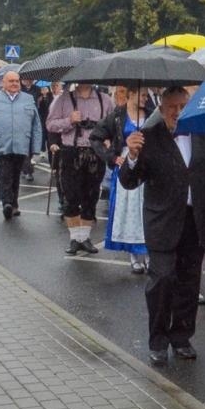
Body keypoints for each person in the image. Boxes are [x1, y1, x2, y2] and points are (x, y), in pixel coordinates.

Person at [119, 85, 205, 367]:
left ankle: (181, 337)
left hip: (196, 219)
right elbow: (129, 181)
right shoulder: (147, 137)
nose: (178, 113)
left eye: (183, 106)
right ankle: (157, 340)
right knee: (162, 279)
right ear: (161, 107)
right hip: (162, 221)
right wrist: (132, 157)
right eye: (172, 107)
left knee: (189, 280)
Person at [46, 82, 113, 255]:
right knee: (71, 195)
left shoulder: (104, 99)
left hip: (95, 153)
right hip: (71, 151)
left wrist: (108, 138)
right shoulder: (63, 99)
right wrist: (70, 120)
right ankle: (75, 238)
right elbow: (50, 124)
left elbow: (114, 125)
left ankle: (85, 237)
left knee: (91, 196)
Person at [92, 86, 150, 273]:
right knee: (129, 212)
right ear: (131, 94)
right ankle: (134, 257)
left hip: (147, 169)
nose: (145, 99)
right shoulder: (117, 115)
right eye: (142, 95)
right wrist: (112, 157)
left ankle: (149, 254)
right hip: (126, 169)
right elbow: (95, 137)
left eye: (147, 96)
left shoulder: (151, 114)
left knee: (147, 211)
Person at [0, 69, 43, 220]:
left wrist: (36, 149)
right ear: (3, 83)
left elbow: (36, 125)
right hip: (0, 143)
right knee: (5, 173)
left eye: (16, 81)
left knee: (16, 174)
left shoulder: (28, 99)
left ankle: (14, 203)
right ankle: (6, 203)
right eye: (11, 81)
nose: (14, 84)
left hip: (21, 144)